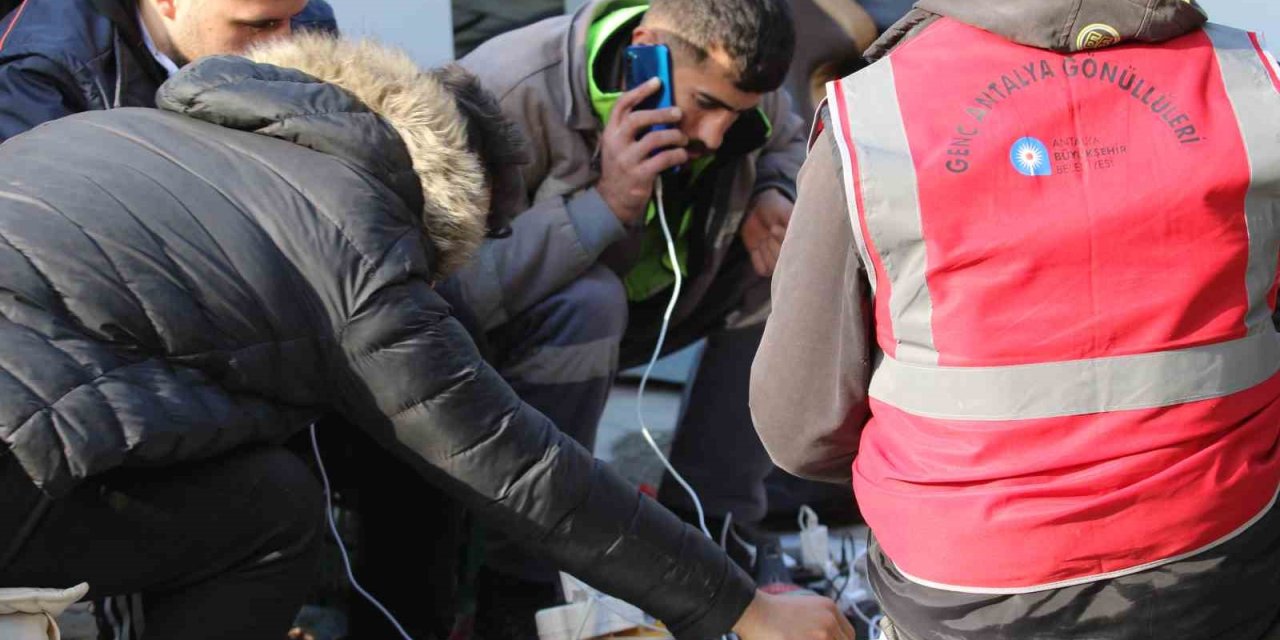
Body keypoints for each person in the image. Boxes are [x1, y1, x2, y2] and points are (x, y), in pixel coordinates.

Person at [0, 33, 853, 640]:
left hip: (32, 423)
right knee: (275, 515)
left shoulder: (134, 129)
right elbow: (523, 472)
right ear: (447, 204)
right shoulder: (353, 234)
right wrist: (745, 609)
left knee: (257, 490)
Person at [752, 1, 1280, 638]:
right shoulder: (1256, 82)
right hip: (1219, 557)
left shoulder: (874, 113)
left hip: (965, 587)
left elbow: (798, 428)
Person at [453, 0, 806, 609]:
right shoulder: (505, 92)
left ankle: (712, 527)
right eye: (707, 106)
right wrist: (605, 206)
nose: (715, 136)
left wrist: (775, 191)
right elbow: (455, 292)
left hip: (666, 297)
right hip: (522, 339)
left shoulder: (739, 84)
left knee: (786, 268)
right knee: (591, 302)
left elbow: (788, 139)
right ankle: (521, 574)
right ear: (647, 46)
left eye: (737, 115)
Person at [0, 0, 337, 143]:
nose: (285, 43)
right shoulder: (38, 76)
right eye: (259, 25)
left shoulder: (308, 24)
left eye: (294, 14)